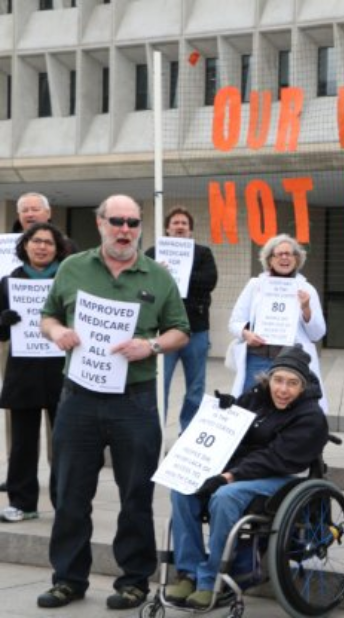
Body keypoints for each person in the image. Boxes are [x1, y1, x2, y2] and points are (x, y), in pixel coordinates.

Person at [36, 195, 190, 610]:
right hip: (79, 400)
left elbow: (180, 330)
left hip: (134, 403)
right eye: (117, 221)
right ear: (100, 223)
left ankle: (134, 580)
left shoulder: (157, 276)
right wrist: (55, 333)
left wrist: (152, 345)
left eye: (133, 223)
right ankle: (68, 579)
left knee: (136, 494)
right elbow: (47, 315)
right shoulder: (72, 268)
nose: (125, 230)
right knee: (69, 493)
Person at [165, 345, 328, 609]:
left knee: (225, 496)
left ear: (303, 386)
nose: (283, 390)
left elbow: (273, 459)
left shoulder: (310, 417)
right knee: (182, 490)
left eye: (292, 383)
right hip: (240, 471)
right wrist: (223, 412)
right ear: (269, 378)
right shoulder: (255, 398)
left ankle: (210, 581)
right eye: (278, 380)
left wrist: (229, 476)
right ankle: (188, 573)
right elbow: (224, 432)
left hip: (282, 477)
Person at [2, 192, 76, 494]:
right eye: (35, 242)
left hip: (61, 368)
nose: (41, 247)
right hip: (23, 372)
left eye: (48, 243)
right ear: (24, 246)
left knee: (63, 439)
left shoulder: (70, 280)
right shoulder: (9, 282)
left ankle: (63, 496)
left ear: (58, 248)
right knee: (22, 442)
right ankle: (21, 499)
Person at [227, 234, 327, 412]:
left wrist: (306, 309)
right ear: (269, 259)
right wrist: (246, 334)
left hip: (290, 364)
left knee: (287, 412)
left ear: (297, 259)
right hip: (257, 360)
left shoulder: (306, 289)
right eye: (279, 254)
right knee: (249, 409)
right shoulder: (255, 285)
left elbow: (317, 334)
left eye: (289, 254)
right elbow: (234, 322)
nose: (284, 258)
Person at [145, 207, 219, 431]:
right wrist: (158, 275)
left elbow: (209, 282)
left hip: (196, 330)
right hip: (163, 332)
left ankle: (187, 432)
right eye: (175, 223)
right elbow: (141, 289)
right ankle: (155, 432)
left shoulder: (203, 253)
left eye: (184, 223)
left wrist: (177, 274)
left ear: (190, 230)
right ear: (167, 228)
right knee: (160, 385)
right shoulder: (152, 254)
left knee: (196, 387)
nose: (179, 226)